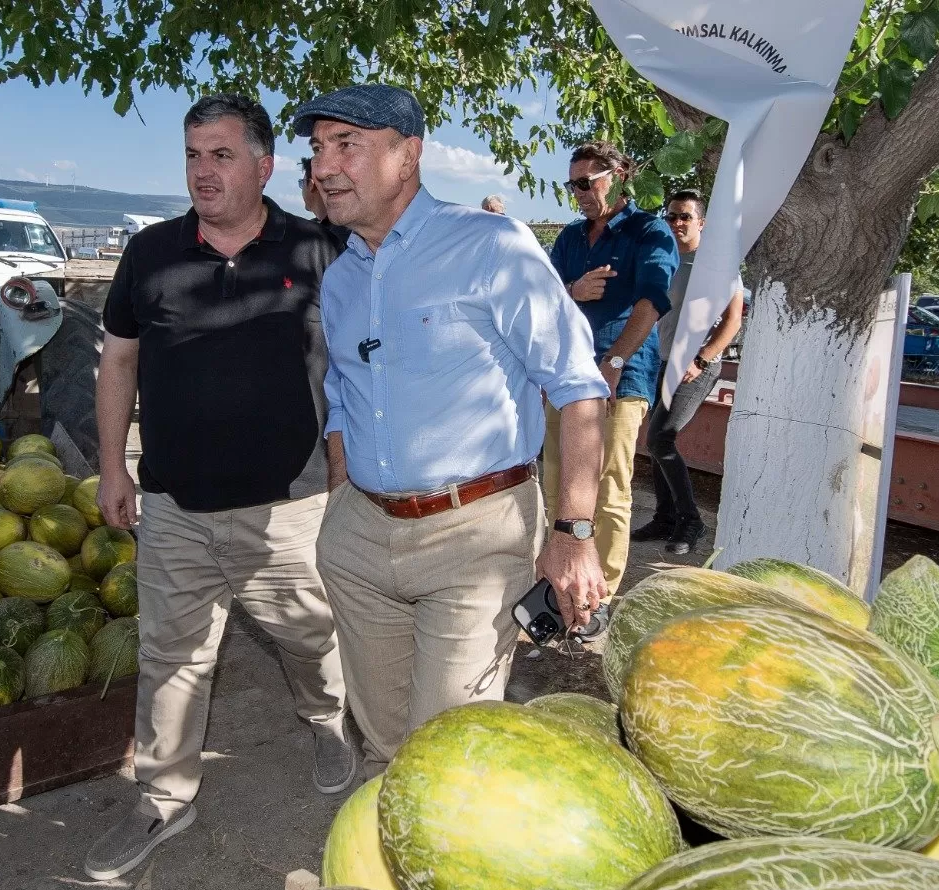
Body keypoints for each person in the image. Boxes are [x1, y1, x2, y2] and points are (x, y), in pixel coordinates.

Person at [296, 83, 609, 774]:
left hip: (476, 538)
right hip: (361, 541)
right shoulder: (343, 278)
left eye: (347, 144)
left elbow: (580, 387)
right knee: (384, 745)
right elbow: (344, 398)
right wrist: (343, 502)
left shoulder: (492, 246)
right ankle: (385, 863)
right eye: (319, 148)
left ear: (407, 156)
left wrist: (575, 533)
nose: (323, 166)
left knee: (447, 756)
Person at [85, 93, 356, 880]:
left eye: (222, 155)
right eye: (194, 156)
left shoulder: (317, 251)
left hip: (290, 505)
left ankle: (327, 719)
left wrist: (344, 475)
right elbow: (120, 364)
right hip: (174, 505)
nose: (204, 172)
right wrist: (112, 466)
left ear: (264, 165)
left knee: (310, 638)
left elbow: (353, 369)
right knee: (171, 656)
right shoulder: (151, 253)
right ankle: (165, 799)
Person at [546, 142, 678, 598]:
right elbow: (542, 301)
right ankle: (558, 581)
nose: (579, 192)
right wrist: (572, 289)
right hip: (565, 380)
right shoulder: (568, 239)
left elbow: (653, 302)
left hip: (619, 380)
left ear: (620, 174)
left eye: (587, 182)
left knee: (609, 491)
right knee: (556, 483)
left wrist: (614, 361)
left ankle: (598, 593)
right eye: (572, 184)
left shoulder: (650, 231)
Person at [631, 189, 743, 554]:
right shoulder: (665, 260)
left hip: (695, 367)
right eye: (672, 216)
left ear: (701, 223)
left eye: (685, 217)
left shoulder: (718, 266)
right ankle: (665, 519)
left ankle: (691, 522)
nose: (677, 223)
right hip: (660, 362)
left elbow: (733, 320)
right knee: (656, 440)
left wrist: (703, 359)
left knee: (660, 438)